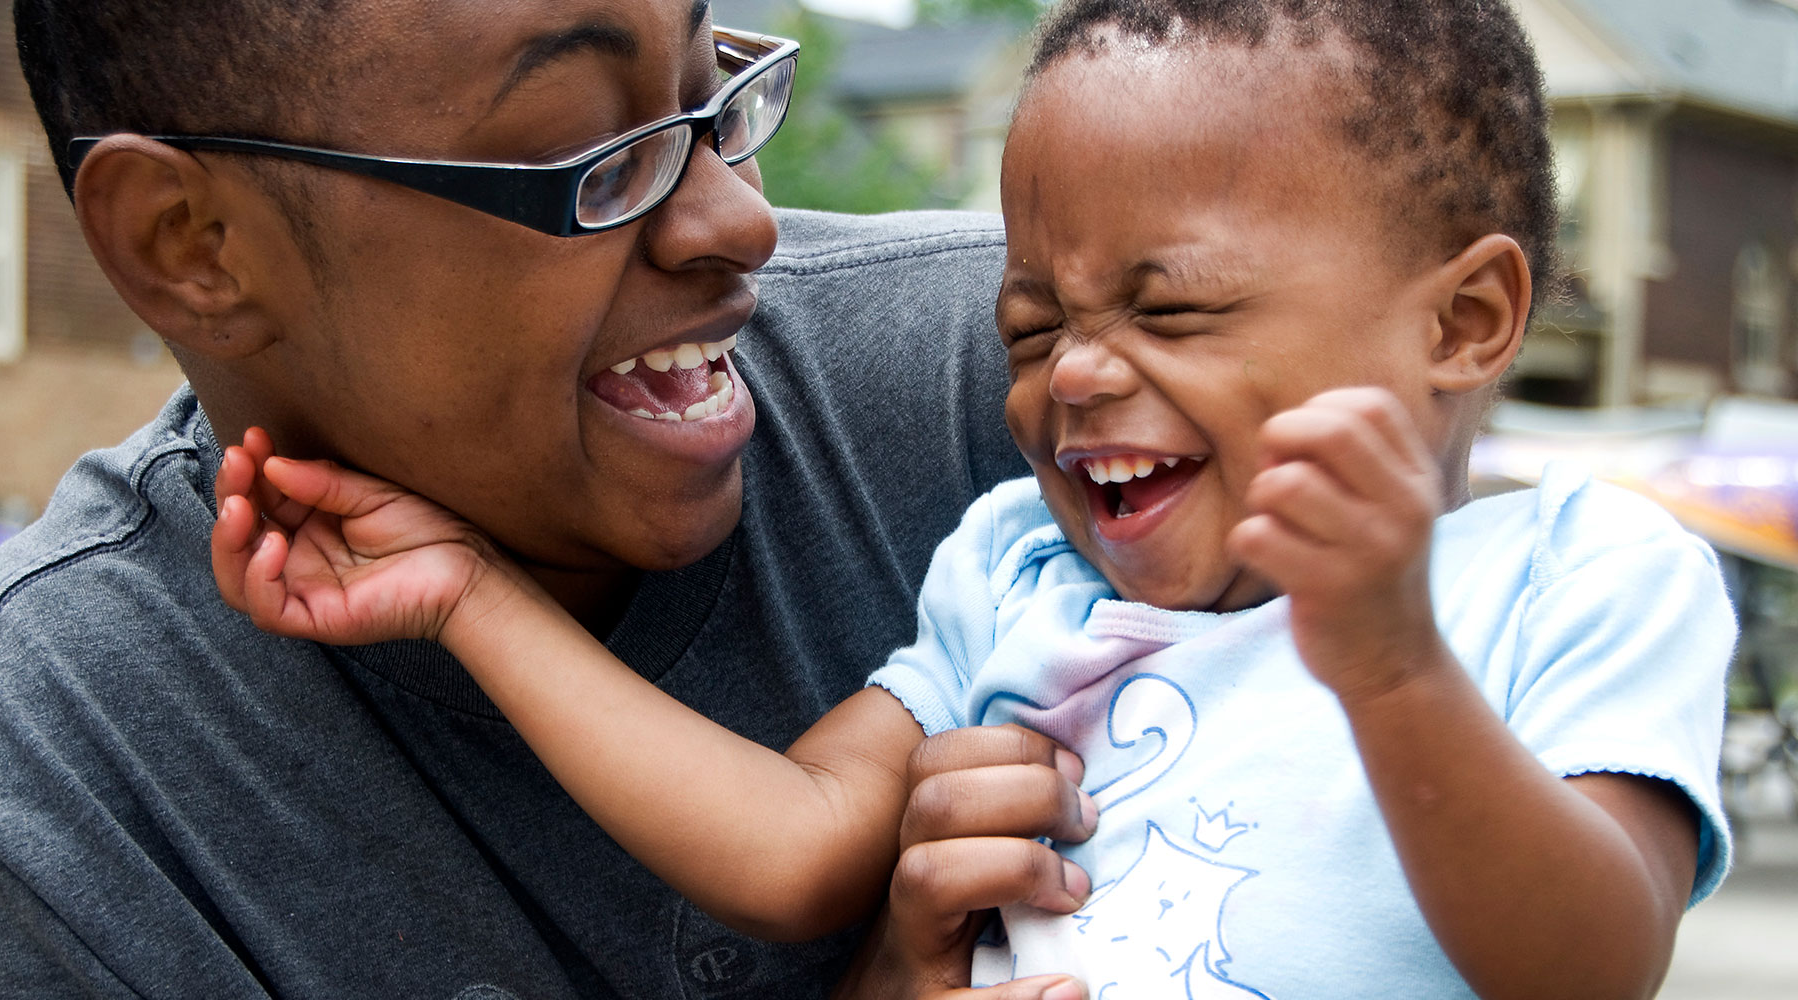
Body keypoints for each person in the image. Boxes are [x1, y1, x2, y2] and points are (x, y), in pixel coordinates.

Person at [211, 1, 1735, 997]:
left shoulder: (1577, 573)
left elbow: (1591, 966)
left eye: (1174, 309)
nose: (1072, 379)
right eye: (1030, 327)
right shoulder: (1017, 573)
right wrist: (474, 599)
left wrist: (1394, 664)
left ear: (1463, 324)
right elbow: (792, 845)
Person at [0, 2, 1094, 999]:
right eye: (593, 155)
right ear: (191, 242)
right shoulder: (58, 773)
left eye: (712, 97)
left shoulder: (1049, 387)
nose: (739, 218)